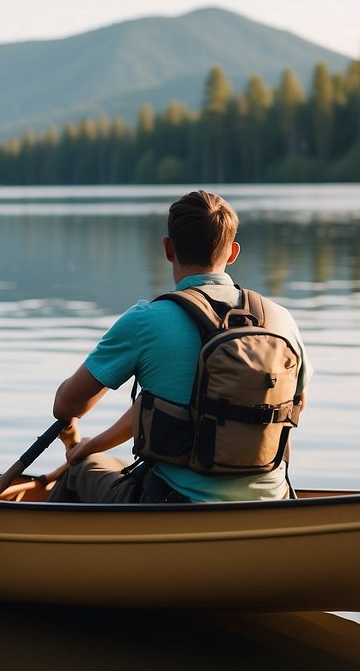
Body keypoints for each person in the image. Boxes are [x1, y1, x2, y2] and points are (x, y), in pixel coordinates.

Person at [50, 190, 309, 504]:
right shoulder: (281, 320)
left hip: (174, 504)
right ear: (232, 253)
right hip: (274, 501)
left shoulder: (146, 321)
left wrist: (84, 447)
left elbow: (66, 407)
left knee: (81, 470)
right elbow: (296, 403)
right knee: (109, 463)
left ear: (168, 248)